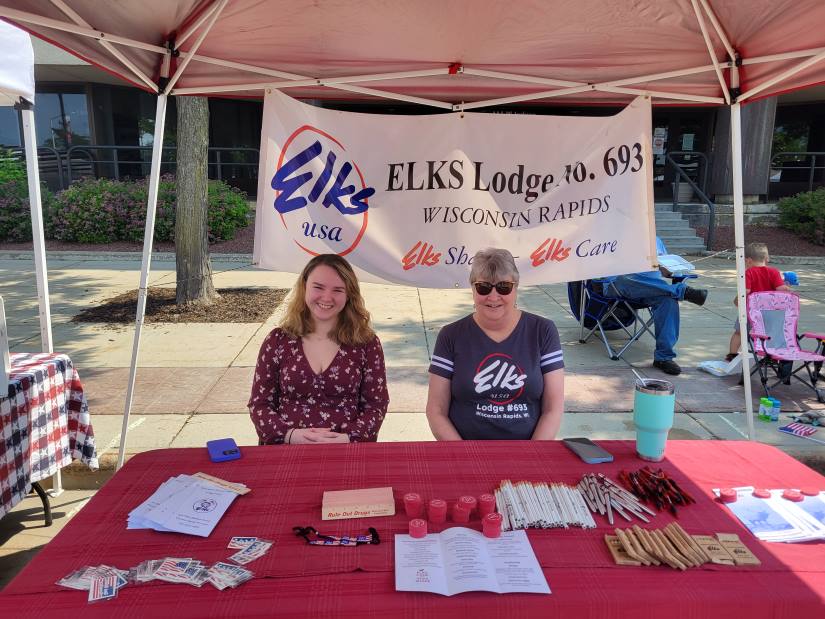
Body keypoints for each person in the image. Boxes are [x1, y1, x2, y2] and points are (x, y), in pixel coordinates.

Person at [248, 254, 389, 445]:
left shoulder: (367, 343)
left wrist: (348, 438)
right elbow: (260, 404)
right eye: (318, 287)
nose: (327, 297)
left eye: (338, 290)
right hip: (285, 450)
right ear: (304, 286)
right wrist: (289, 436)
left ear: (349, 295)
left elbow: (376, 405)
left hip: (347, 451)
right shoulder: (277, 341)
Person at [425, 248, 564, 440]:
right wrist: (465, 457)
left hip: (528, 452)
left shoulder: (543, 331)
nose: (493, 296)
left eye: (503, 287)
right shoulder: (450, 335)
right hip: (464, 451)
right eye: (483, 287)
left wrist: (532, 456)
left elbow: (553, 408)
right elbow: (436, 409)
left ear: (516, 288)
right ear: (472, 288)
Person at [611, 236, 708, 376]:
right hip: (620, 287)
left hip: (652, 290)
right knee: (625, 278)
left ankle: (664, 357)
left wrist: (669, 271)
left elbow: (669, 269)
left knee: (668, 300)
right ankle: (683, 291)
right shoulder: (616, 235)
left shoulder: (655, 239)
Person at [726, 242, 791, 361]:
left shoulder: (748, 273)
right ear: (767, 258)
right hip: (769, 313)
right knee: (770, 334)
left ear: (748, 260)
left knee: (739, 333)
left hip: (750, 311)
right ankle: (772, 356)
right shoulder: (774, 272)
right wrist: (787, 287)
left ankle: (732, 355)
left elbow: (745, 291)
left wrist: (736, 301)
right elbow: (781, 290)